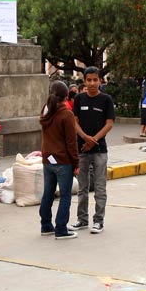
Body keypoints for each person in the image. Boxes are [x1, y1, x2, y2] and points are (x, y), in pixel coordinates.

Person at [72, 67, 116, 234]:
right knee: (82, 187)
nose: (91, 83)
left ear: (100, 81)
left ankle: (98, 221)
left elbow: (109, 123)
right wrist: (85, 138)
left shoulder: (106, 100)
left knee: (99, 187)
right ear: (84, 81)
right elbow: (74, 122)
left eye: (94, 80)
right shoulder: (79, 98)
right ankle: (82, 220)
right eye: (88, 80)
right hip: (82, 149)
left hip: (100, 150)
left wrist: (94, 140)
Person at [38, 81, 80, 239]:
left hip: (47, 159)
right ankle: (61, 228)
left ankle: (46, 225)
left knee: (47, 193)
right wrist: (76, 163)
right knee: (65, 196)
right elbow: (71, 142)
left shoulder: (46, 109)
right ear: (67, 96)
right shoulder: (66, 114)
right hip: (63, 160)